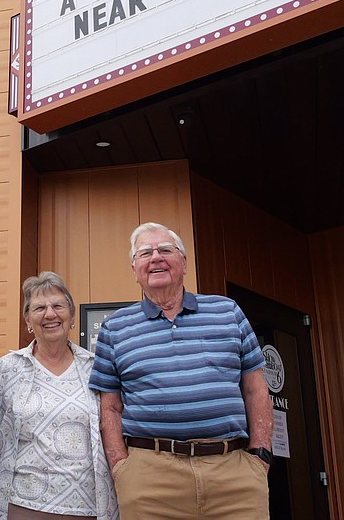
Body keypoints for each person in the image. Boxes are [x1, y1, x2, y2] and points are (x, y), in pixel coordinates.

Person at [89, 222, 272, 520]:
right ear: (134, 268)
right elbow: (110, 406)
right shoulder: (115, 328)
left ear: (184, 262)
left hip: (234, 475)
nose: (156, 257)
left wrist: (260, 455)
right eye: (145, 252)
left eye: (165, 249)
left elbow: (256, 388)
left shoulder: (228, 312)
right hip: (150, 480)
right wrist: (121, 467)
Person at [0, 272, 119, 520]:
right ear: (28, 320)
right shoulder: (7, 369)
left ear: (72, 316)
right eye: (39, 308)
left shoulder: (96, 368)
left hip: (87, 507)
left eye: (58, 306)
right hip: (22, 505)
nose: (50, 314)